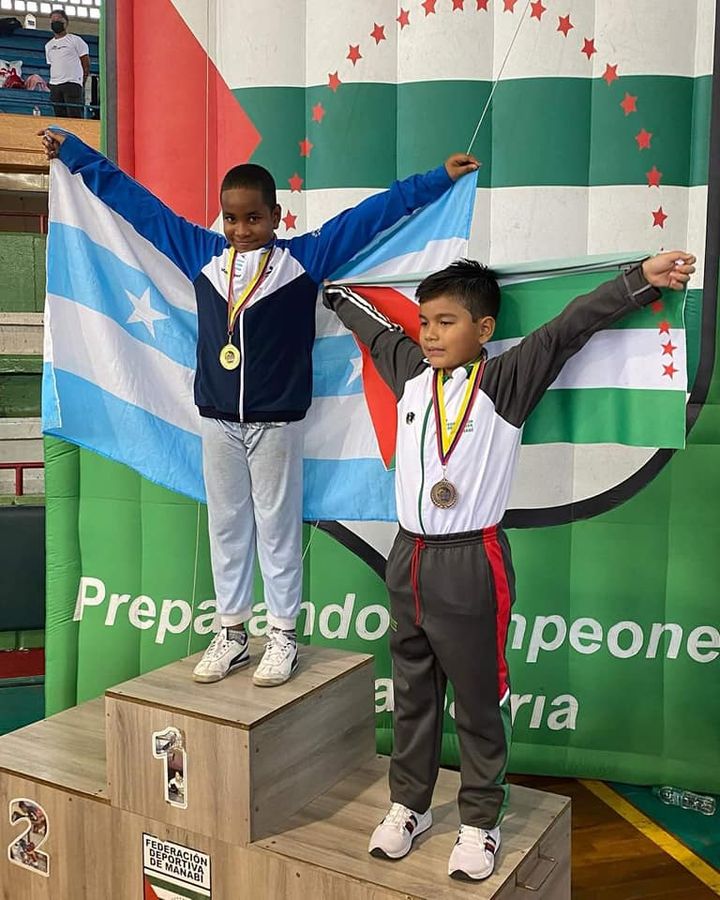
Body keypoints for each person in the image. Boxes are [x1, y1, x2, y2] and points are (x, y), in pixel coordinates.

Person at [39, 126, 479, 688]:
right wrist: (77, 155)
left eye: (253, 218)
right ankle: (231, 634)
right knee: (227, 527)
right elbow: (139, 206)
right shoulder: (202, 255)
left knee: (276, 529)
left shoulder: (304, 259)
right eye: (231, 218)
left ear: (275, 216)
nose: (241, 230)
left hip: (276, 424)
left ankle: (283, 636)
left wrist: (435, 180)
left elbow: (370, 217)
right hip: (217, 422)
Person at [322, 250, 695, 881]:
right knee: (412, 694)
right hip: (408, 556)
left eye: (445, 322)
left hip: (472, 558)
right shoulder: (410, 372)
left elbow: (569, 328)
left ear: (485, 329)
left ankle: (480, 820)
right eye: (425, 321)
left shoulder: (504, 382)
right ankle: (410, 805)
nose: (429, 334)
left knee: (478, 699)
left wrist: (640, 281)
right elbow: (374, 329)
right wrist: (332, 293)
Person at [45, 9, 89, 118]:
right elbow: (52, 64)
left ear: (66, 23)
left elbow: (85, 62)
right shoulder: (48, 45)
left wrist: (82, 80)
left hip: (72, 83)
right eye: (53, 21)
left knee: (74, 116)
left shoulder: (75, 40)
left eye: (59, 20)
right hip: (55, 85)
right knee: (59, 117)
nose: (56, 22)